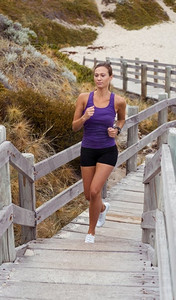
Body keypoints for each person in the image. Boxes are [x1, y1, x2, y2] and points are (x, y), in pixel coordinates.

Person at [72, 62, 126, 243]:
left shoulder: (118, 101)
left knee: (95, 190)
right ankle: (102, 208)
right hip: (88, 149)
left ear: (110, 77)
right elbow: (74, 127)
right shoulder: (83, 98)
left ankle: (91, 232)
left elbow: (122, 120)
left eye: (103, 75)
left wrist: (116, 130)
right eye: (96, 75)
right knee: (89, 195)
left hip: (107, 151)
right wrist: (85, 117)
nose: (99, 78)